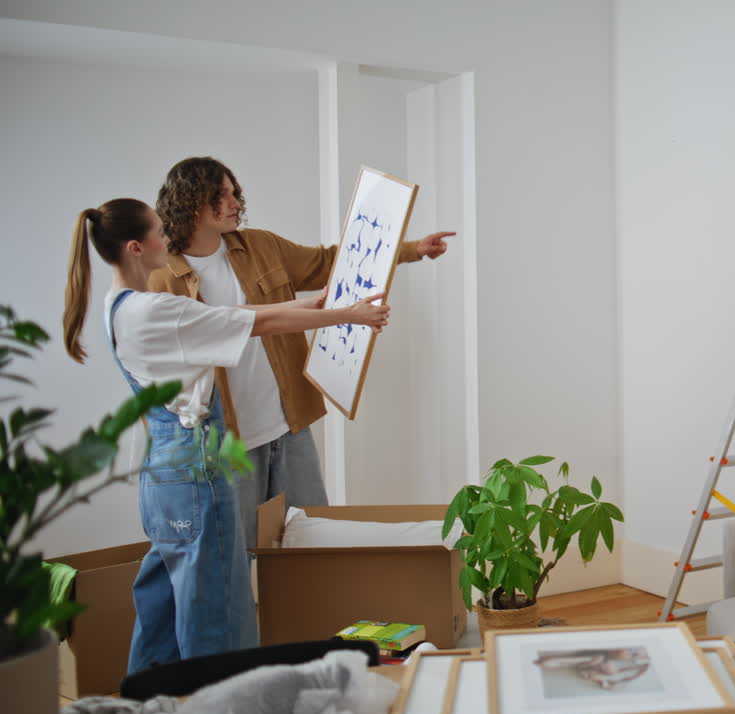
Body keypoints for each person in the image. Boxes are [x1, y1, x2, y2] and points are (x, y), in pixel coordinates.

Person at [62, 197, 390, 672]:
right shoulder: (156, 310)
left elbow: (245, 313)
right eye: (158, 231)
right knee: (216, 608)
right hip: (194, 471)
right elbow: (259, 321)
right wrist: (349, 315)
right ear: (136, 248)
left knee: (163, 604)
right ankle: (221, 701)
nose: (167, 237)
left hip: (163, 476)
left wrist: (310, 303)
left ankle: (147, 700)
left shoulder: (120, 305)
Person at [149, 156, 454, 550]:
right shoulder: (161, 278)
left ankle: (313, 611)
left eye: (232, 192)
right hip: (224, 439)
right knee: (236, 548)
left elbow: (329, 262)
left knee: (313, 535)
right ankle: (252, 614)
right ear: (189, 202)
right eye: (219, 195)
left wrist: (413, 249)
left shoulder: (259, 246)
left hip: (286, 422)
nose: (233, 202)